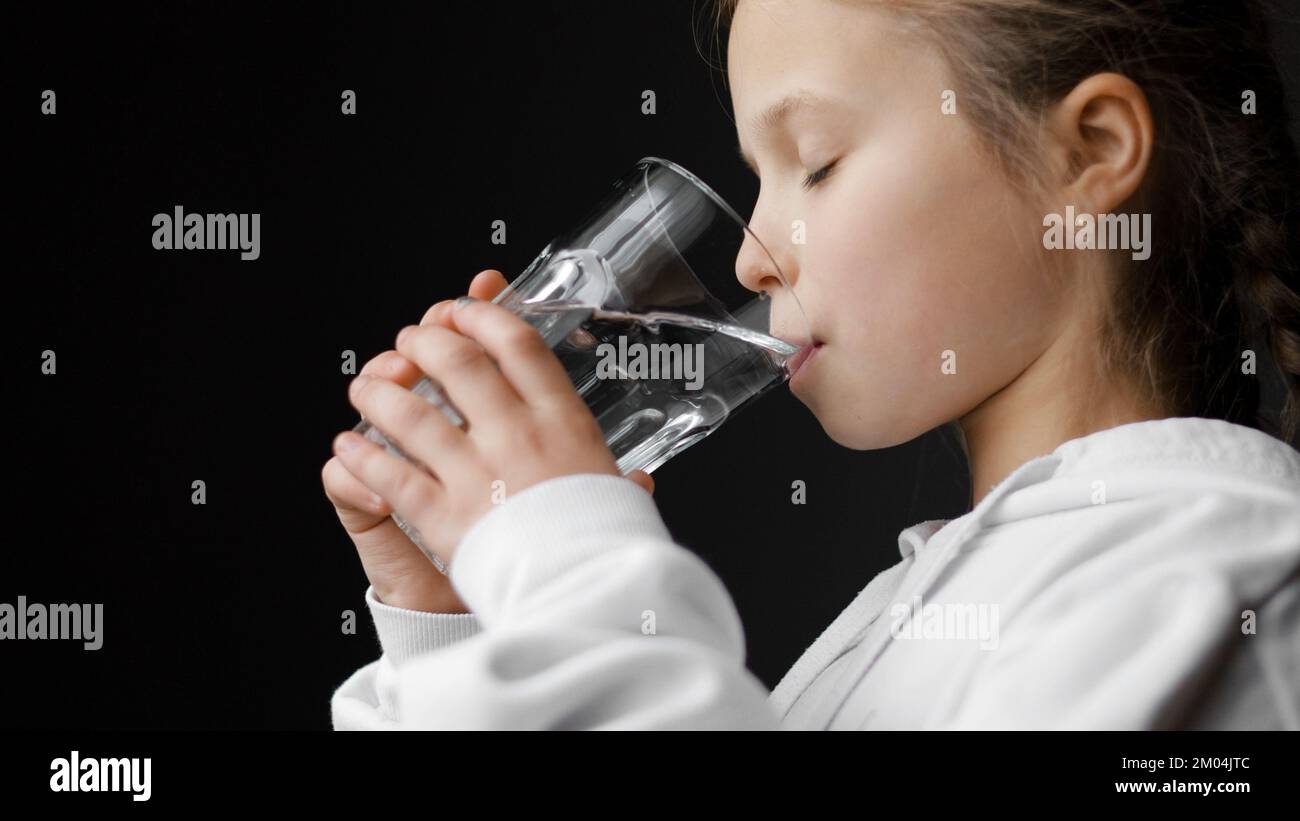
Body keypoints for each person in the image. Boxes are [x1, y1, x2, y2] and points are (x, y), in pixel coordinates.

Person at [322, 0, 1300, 729]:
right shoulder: (929, 603)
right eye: (759, 177)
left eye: (818, 160)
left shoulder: (1218, 576)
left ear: (1088, 153)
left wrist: (561, 556)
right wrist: (472, 625)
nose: (752, 258)